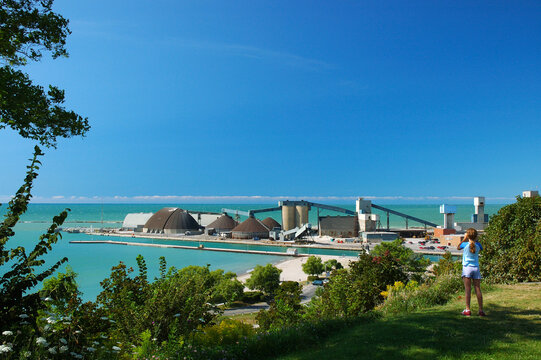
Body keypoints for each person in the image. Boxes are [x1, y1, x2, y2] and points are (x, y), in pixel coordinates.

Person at [457, 228, 486, 316]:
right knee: (478, 289)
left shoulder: (465, 244)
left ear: (467, 235)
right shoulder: (478, 245)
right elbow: (481, 248)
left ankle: (467, 309)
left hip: (467, 268)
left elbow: (458, 247)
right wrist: (475, 239)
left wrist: (464, 239)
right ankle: (481, 310)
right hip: (476, 268)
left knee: (468, 290)